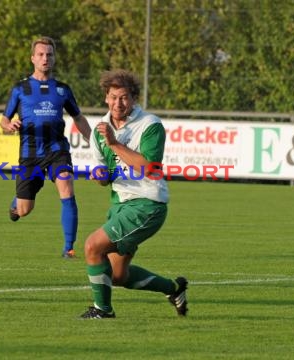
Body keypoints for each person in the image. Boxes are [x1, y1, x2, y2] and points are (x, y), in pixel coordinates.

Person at [80, 69, 188, 319]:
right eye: (113, 97)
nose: (118, 103)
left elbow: (150, 169)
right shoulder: (99, 131)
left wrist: (115, 143)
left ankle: (102, 311)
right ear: (106, 97)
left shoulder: (150, 125)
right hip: (121, 204)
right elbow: (104, 172)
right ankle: (175, 289)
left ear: (134, 98)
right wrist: (100, 176)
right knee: (118, 275)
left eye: (124, 97)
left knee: (92, 246)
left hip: (148, 204)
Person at [0, 36, 91, 258]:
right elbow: (3, 120)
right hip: (30, 155)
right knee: (24, 209)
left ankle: (68, 248)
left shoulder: (62, 89)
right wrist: (10, 125)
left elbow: (78, 118)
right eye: (40, 54)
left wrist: (96, 144)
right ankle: (17, 203)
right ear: (33, 58)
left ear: (54, 58)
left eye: (49, 54)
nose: (45, 58)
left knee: (67, 187)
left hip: (57, 150)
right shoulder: (20, 89)